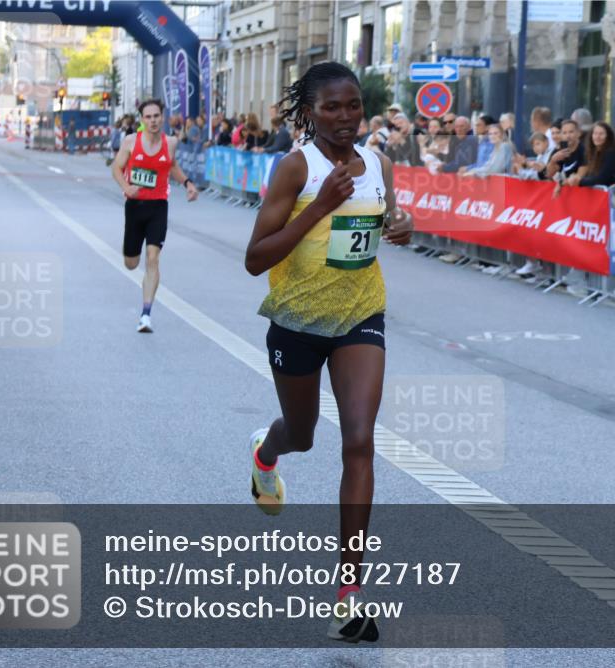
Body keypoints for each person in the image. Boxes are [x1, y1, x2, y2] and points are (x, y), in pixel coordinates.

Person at [244, 61, 413, 643]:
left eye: (353, 106)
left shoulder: (379, 163)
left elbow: (387, 220)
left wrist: (401, 225)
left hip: (361, 314)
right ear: (310, 112)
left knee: (360, 440)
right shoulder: (296, 167)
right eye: (332, 108)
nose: (345, 118)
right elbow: (256, 257)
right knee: (304, 432)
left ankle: (349, 588)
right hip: (296, 320)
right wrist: (317, 208)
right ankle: (267, 453)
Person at [111, 99, 199, 333]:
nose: (153, 120)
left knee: (153, 258)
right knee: (131, 263)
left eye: (156, 116)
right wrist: (126, 187)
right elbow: (116, 168)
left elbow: (171, 167)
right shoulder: (131, 141)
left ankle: (146, 314)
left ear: (162, 117)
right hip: (134, 206)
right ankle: (132, 256)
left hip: (158, 206)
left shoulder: (170, 143)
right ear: (142, 120)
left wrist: (188, 183)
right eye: (148, 117)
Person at [569, 121, 615, 188]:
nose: (597, 137)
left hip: (609, 193)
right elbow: (591, 176)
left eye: (601, 134)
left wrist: (580, 181)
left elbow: (601, 178)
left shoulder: (612, 153)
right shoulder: (592, 152)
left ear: (608, 136)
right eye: (595, 133)